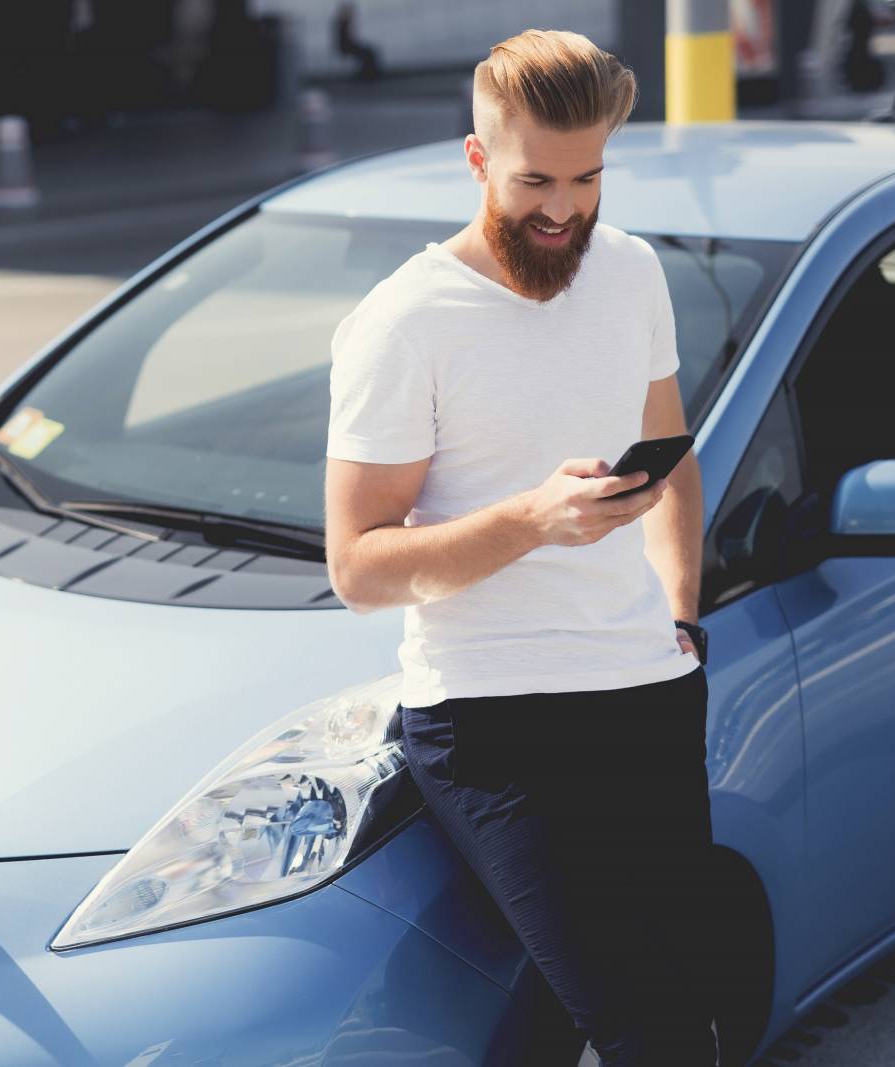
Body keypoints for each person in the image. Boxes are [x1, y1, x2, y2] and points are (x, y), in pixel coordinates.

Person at [322, 27, 717, 1067]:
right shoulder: (405, 321)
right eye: (535, 179)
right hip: (493, 720)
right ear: (476, 159)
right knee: (646, 1028)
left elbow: (672, 460)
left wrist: (679, 613)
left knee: (663, 1008)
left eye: (587, 177)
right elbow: (357, 566)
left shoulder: (629, 271)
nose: (563, 207)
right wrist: (528, 520)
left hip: (644, 687)